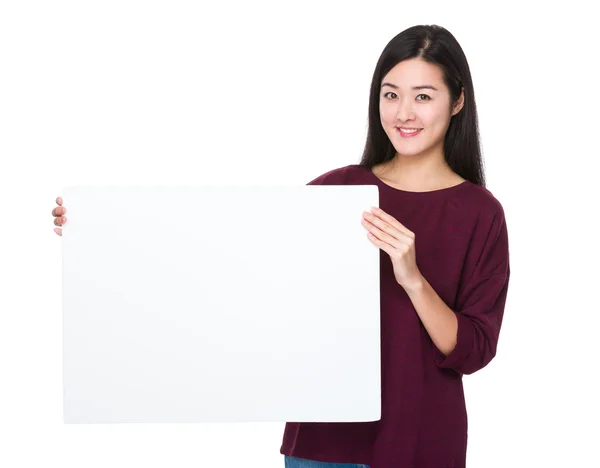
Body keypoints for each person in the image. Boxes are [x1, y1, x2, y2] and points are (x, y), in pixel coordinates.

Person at [52, 24, 510, 468]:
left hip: (420, 444)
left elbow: (474, 349)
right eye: (391, 94)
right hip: (321, 445)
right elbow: (223, 258)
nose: (403, 113)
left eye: (423, 96)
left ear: (458, 102)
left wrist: (412, 279)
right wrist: (95, 232)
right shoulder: (336, 193)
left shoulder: (480, 212)